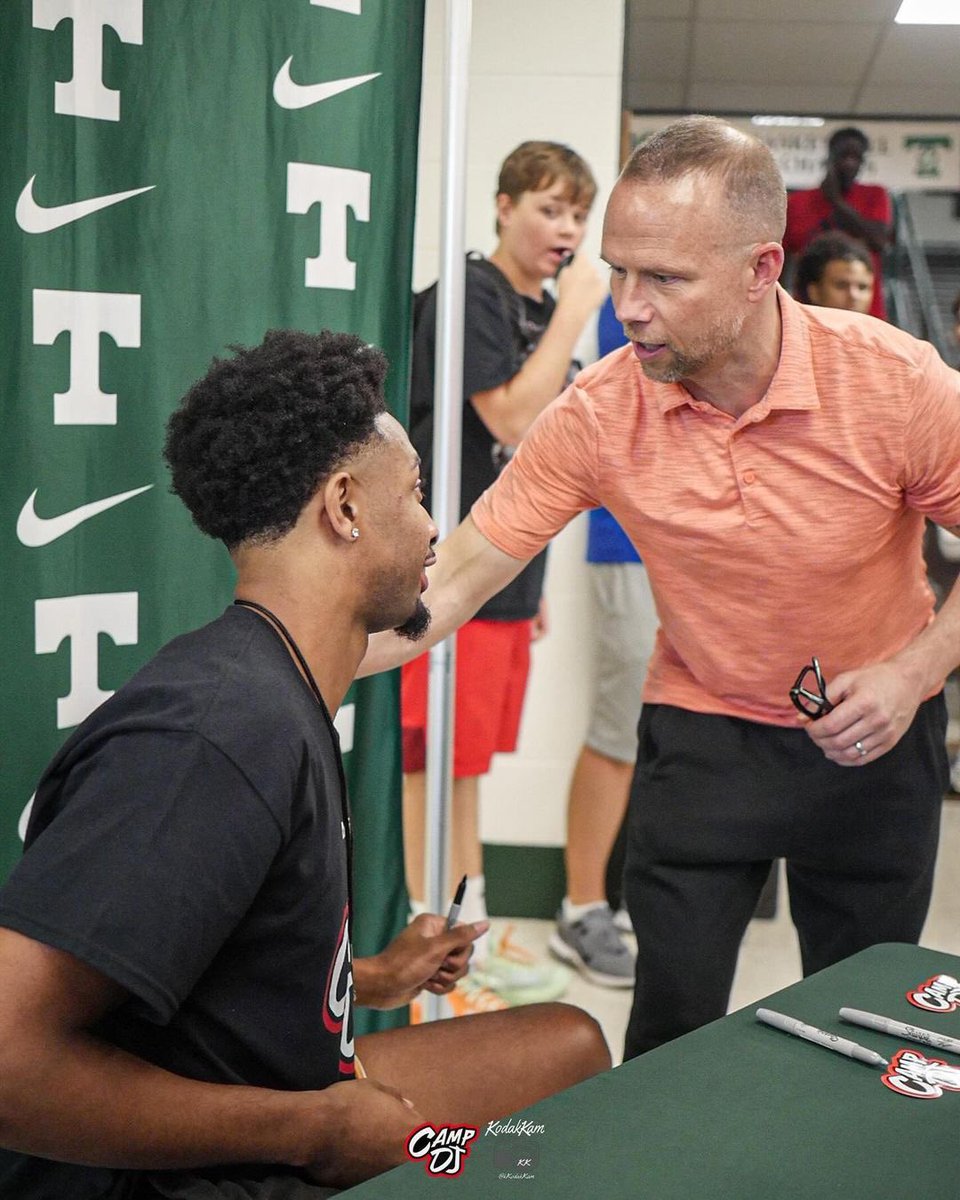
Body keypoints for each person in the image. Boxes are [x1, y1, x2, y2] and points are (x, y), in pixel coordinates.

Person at [360, 116, 960, 1062]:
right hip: (703, 729)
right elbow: (463, 573)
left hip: (876, 734)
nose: (628, 306)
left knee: (870, 1029)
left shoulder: (893, 383)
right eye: (619, 270)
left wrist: (915, 670)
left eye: (665, 279)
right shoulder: (601, 410)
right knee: (671, 1031)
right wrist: (301, 655)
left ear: (763, 270)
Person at [0, 329, 611, 1198]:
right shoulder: (215, 737)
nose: (436, 528)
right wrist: (315, 1131)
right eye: (418, 494)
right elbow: (9, 1060)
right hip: (216, 1164)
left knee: (569, 1052)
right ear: (346, 506)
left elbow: (190, 970)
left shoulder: (279, 684)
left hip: (291, 1096)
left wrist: (373, 978)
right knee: (518, 1159)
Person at [402, 141, 606, 1004]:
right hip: (446, 572)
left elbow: (549, 461)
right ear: (503, 206)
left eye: (576, 215)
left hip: (505, 578)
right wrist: (578, 309)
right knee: (428, 759)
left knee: (468, 762)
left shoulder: (537, 305)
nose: (565, 230)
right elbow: (516, 421)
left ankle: (468, 942)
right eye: (550, 208)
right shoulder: (474, 297)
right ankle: (430, 949)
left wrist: (532, 582)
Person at [548, 294, 655, 989]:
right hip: (630, 545)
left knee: (663, 733)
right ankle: (580, 907)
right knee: (620, 731)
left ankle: (615, 904)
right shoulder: (626, 304)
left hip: (697, 544)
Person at [783, 126, 892, 320]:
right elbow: (785, 259)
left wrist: (837, 203)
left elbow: (879, 241)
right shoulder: (798, 202)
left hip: (866, 316)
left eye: (856, 158)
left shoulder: (875, 195)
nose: (849, 164)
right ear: (830, 156)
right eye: (844, 156)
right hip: (808, 313)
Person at [793, 231, 876, 314]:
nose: (854, 296)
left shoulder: (881, 326)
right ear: (814, 292)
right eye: (841, 285)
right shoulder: (788, 326)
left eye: (862, 287)